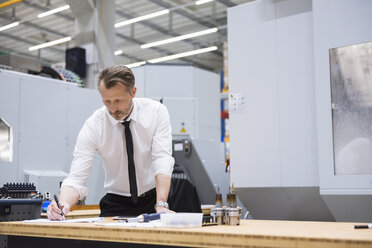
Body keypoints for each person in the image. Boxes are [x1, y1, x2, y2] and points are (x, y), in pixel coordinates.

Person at [47, 65, 175, 220]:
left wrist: (161, 204)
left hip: (154, 199)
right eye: (106, 101)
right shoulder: (94, 125)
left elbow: (162, 159)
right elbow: (76, 177)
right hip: (116, 203)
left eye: (118, 101)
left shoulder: (156, 112)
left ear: (133, 92)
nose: (113, 108)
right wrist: (62, 204)